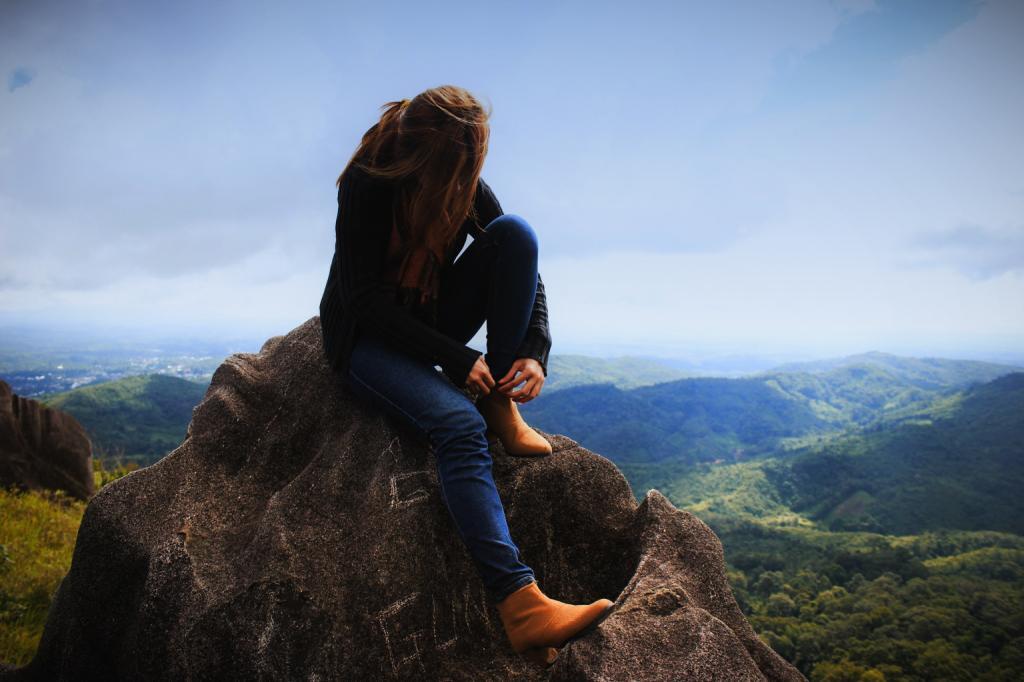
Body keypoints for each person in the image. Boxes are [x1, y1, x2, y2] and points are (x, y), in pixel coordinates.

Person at [318, 85, 614, 666]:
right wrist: (457, 360)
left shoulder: (463, 188)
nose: (472, 174)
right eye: (466, 161)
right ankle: (522, 606)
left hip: (426, 319)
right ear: (437, 155)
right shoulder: (369, 184)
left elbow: (524, 271)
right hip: (366, 340)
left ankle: (502, 404)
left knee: (517, 235)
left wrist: (534, 349)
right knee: (457, 424)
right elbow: (364, 303)